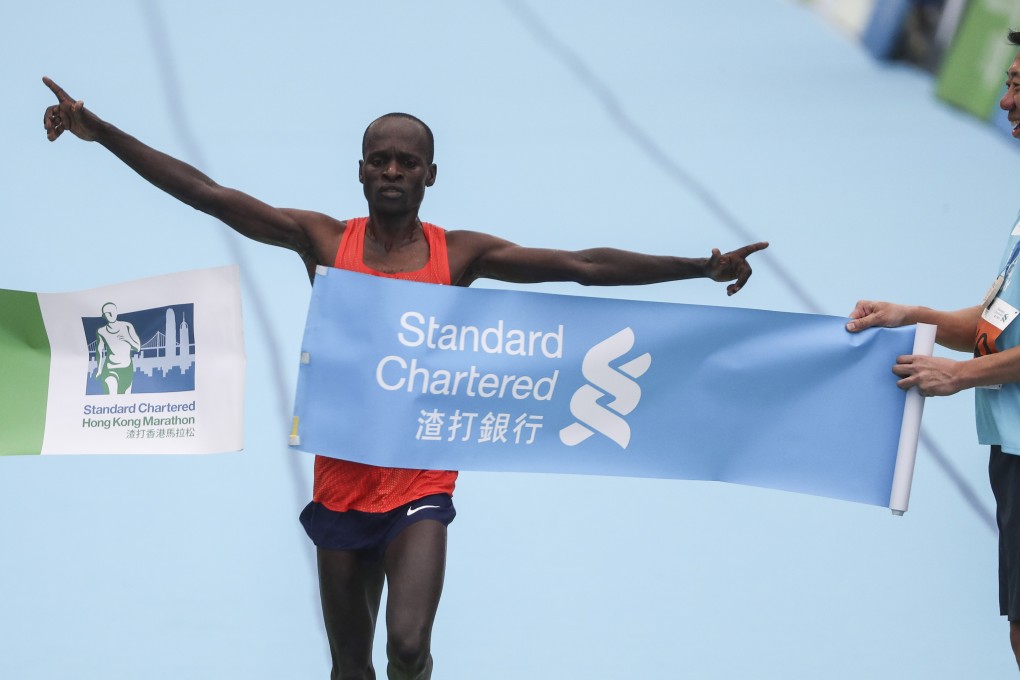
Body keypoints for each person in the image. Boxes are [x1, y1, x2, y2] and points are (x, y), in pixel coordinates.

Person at [42, 76, 768, 680]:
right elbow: (207, 194)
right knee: (351, 669)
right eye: (379, 159)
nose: (392, 171)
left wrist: (697, 267)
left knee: (408, 646)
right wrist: (101, 133)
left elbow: (580, 266)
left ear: (430, 174)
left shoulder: (460, 256)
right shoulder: (325, 242)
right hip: (339, 485)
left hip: (420, 483)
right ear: (360, 170)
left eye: (406, 161)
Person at [846, 30, 1020, 671]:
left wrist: (964, 374)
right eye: (1004, 83)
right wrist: (915, 317)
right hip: (1012, 449)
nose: (1004, 102)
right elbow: (999, 321)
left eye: (1018, 87)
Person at [94, 302, 141, 394]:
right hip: (110, 369)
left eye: (113, 311)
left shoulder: (127, 326)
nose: (111, 314)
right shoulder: (101, 331)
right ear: (104, 315)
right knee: (113, 398)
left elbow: (138, 347)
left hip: (127, 369)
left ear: (116, 311)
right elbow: (99, 350)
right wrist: (99, 369)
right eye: (108, 312)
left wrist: (128, 339)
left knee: (126, 401)